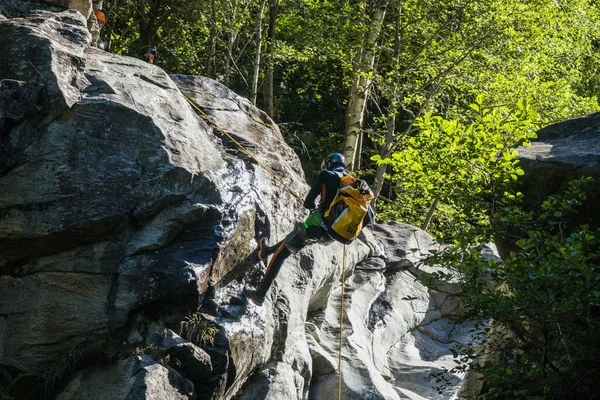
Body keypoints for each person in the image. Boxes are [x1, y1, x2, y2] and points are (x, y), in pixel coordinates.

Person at [243, 153, 352, 306]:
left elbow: (308, 203)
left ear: (329, 164)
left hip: (316, 226)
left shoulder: (327, 175)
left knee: (282, 254)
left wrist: (316, 207)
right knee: (294, 237)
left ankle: (259, 294)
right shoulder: (352, 184)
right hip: (333, 234)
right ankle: (265, 251)